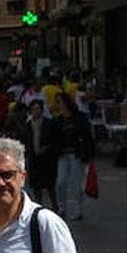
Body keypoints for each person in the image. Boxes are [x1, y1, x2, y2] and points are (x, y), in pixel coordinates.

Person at [49, 91, 93, 221]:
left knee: (77, 183)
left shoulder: (79, 118)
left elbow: (87, 136)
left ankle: (78, 209)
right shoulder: (58, 120)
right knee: (61, 182)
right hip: (63, 154)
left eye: (60, 102)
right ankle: (62, 208)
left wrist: (89, 153)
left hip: (76, 154)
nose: (58, 105)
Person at [25, 99, 57, 209]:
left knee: (50, 185)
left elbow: (54, 140)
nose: (36, 111)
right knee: (35, 186)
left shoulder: (49, 123)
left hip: (46, 158)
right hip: (33, 158)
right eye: (33, 109)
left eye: (38, 109)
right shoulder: (28, 125)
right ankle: (39, 207)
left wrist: (47, 148)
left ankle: (55, 206)